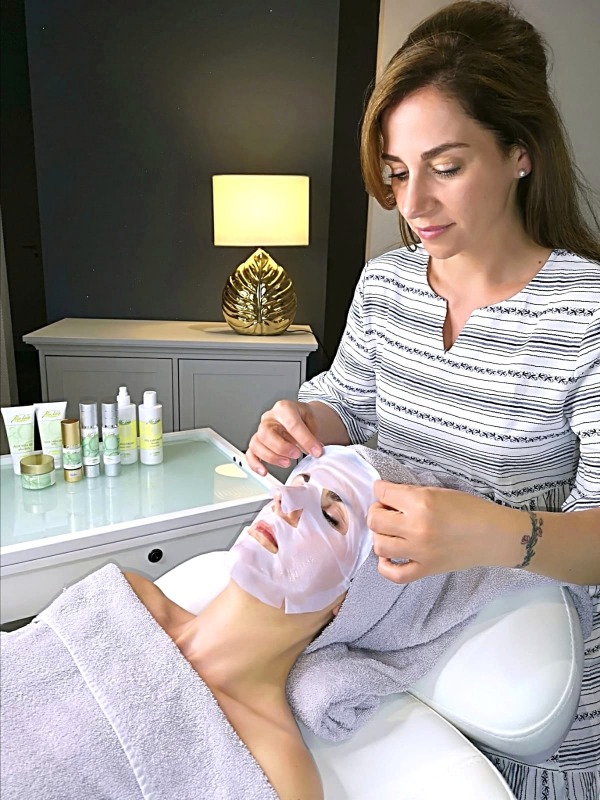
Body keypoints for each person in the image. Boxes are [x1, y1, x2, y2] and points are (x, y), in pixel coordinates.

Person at [246, 2, 599, 797]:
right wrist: (306, 422)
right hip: (385, 653)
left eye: (446, 167)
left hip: (526, 677)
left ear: (520, 153)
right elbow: (349, 404)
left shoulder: (587, 313)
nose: (413, 206)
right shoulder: (387, 285)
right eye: (400, 172)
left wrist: (488, 532)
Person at [0, 447, 377, 800]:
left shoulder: (275, 771)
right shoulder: (123, 597)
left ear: (351, 600)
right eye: (299, 482)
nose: (284, 499)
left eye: (331, 517)